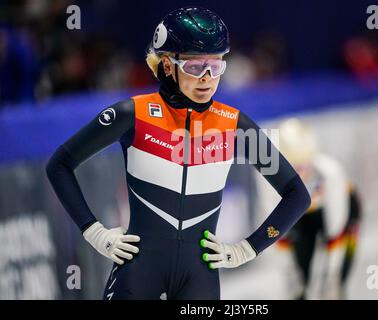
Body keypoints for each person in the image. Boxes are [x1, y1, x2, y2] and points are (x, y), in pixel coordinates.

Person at [46, 7, 311, 300]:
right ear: (167, 66)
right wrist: (93, 232)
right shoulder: (132, 114)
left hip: (200, 281)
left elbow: (297, 194)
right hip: (139, 275)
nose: (207, 78)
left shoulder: (235, 125)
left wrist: (249, 248)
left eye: (217, 65)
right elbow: (59, 165)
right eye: (195, 67)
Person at [260, 118, 361, 299]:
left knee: (335, 282)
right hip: (302, 214)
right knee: (299, 282)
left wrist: (331, 277)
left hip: (339, 207)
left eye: (305, 167)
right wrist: (290, 274)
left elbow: (336, 230)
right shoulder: (269, 180)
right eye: (294, 168)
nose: (302, 175)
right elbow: (275, 232)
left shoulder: (331, 173)